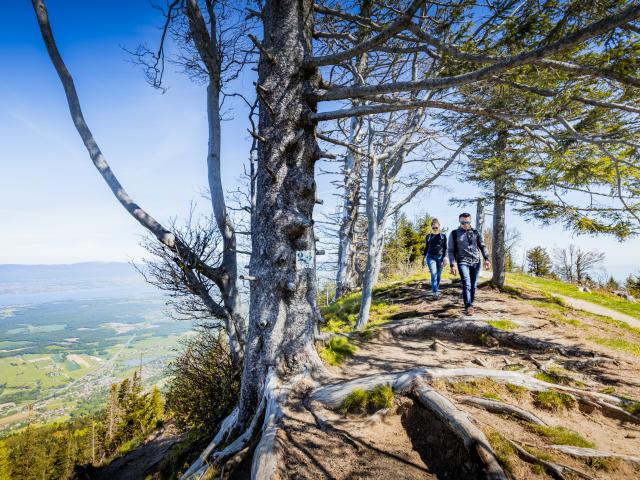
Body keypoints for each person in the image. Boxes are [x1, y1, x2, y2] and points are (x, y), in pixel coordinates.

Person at [448, 212, 490, 315]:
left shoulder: (476, 232)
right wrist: (452, 264)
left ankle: (471, 303)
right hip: (463, 262)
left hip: (476, 262)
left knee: (473, 285)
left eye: (467, 222)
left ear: (470, 221)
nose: (465, 224)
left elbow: (482, 246)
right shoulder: (454, 234)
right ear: (459, 221)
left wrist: (487, 259)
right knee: (466, 284)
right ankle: (468, 306)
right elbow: (450, 250)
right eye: (463, 222)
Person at [421, 218, 447, 299]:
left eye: (436, 227)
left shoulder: (443, 236)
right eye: (433, 228)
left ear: (439, 227)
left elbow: (445, 248)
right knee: (433, 273)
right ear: (431, 227)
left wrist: (445, 257)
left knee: (438, 275)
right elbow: (426, 248)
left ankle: (436, 289)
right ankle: (435, 292)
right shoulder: (428, 237)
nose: (435, 229)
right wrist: (423, 257)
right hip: (430, 257)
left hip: (440, 258)